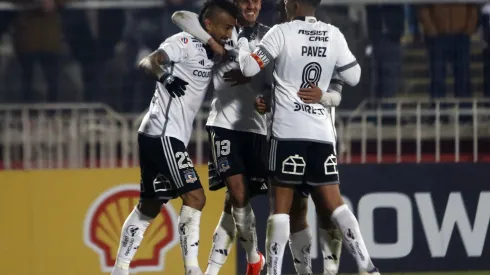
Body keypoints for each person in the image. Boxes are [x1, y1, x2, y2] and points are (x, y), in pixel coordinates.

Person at [237, 0, 380, 274]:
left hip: (288, 131)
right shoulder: (333, 34)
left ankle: (275, 271)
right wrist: (324, 93)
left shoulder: (280, 33)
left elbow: (249, 69)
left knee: (281, 207)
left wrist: (245, 42)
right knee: (334, 204)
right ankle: (367, 265)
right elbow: (354, 76)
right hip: (321, 133)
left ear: (294, 3)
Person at [109, 1, 239, 275]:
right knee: (195, 198)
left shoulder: (219, 49)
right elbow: (149, 61)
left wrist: (221, 45)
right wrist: (165, 78)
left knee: (149, 207)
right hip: (162, 132)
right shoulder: (183, 41)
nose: (230, 33)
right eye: (225, 27)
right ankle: (192, 269)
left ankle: (119, 270)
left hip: (161, 133)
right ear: (209, 25)